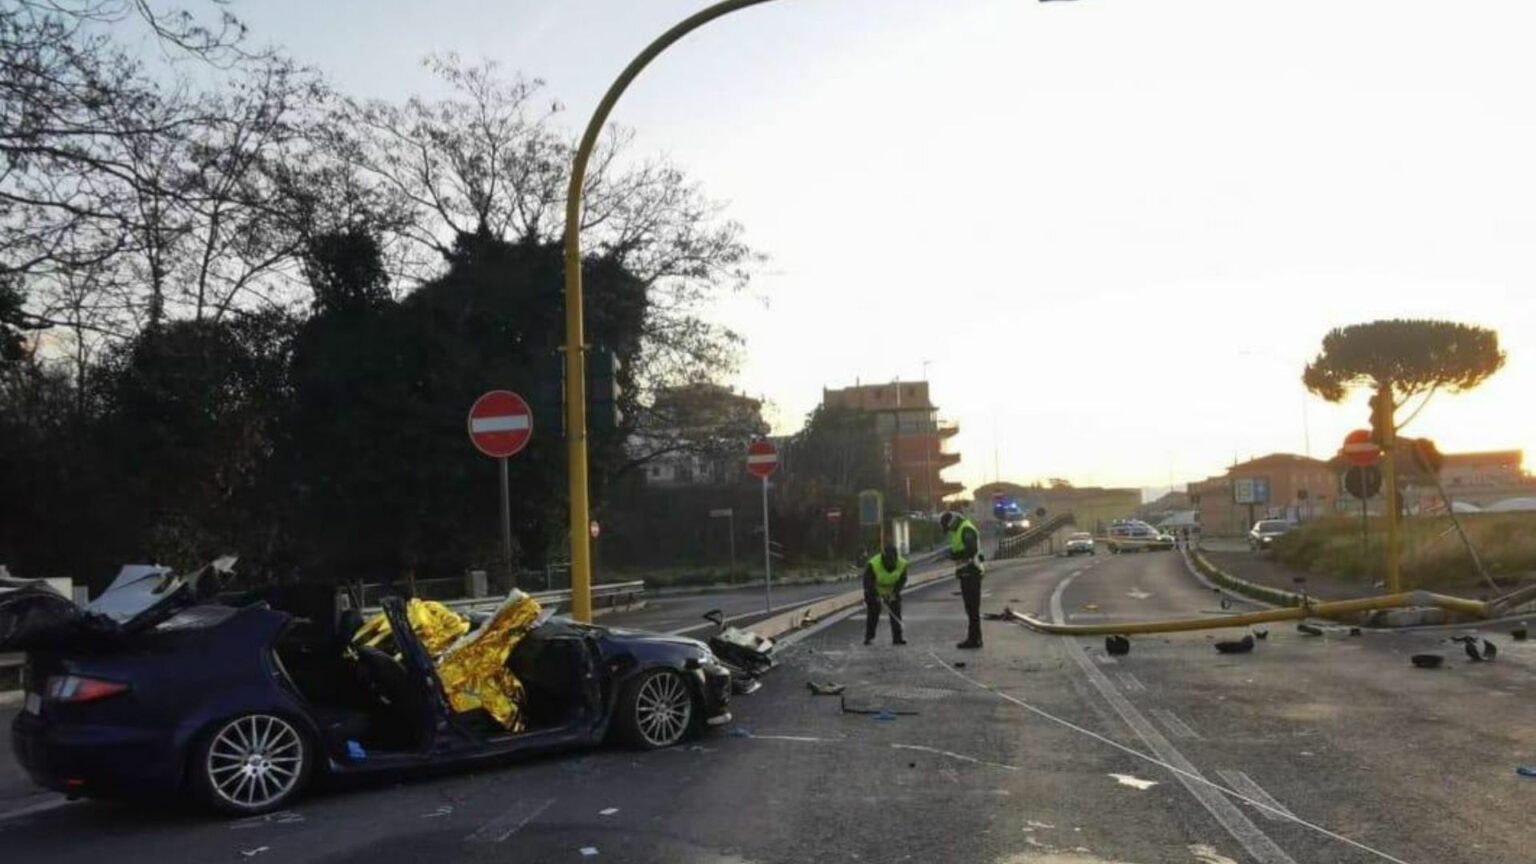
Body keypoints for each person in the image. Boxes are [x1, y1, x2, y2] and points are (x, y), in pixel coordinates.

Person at [940, 510, 985, 649]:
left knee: (972, 609)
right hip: (966, 573)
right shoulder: (959, 530)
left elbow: (970, 551)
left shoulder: (966, 529)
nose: (949, 531)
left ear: (952, 522)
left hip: (972, 572)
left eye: (948, 528)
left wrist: (952, 555)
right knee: (970, 609)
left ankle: (975, 639)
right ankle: (975, 638)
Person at [862, 544, 908, 646]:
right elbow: (867, 582)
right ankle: (869, 637)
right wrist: (875, 595)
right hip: (874, 591)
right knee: (873, 613)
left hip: (892, 591)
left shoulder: (902, 564)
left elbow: (902, 580)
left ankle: (897, 638)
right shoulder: (873, 564)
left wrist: (895, 593)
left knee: (895, 612)